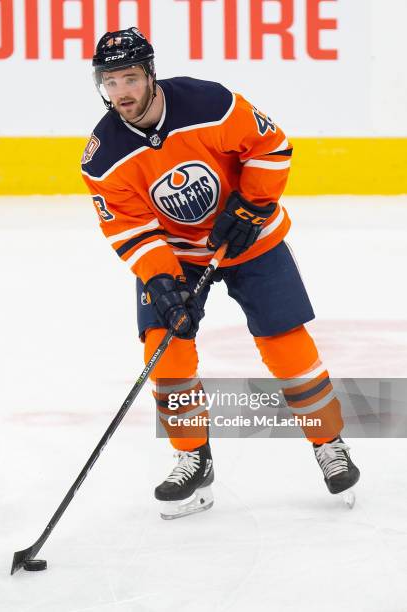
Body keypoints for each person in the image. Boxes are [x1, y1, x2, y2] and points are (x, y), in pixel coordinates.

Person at [81, 27, 360, 519]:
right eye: (110, 81)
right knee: (163, 349)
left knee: (285, 342)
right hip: (181, 255)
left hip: (253, 238)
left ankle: (328, 443)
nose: (120, 92)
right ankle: (193, 457)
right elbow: (129, 228)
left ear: (149, 73)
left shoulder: (211, 103)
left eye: (128, 78)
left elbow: (272, 147)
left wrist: (253, 205)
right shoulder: (103, 156)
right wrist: (163, 282)